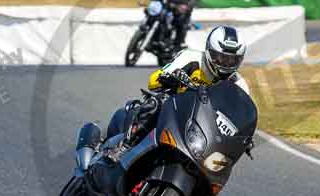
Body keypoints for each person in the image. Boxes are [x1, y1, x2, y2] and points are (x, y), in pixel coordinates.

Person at [106, 26, 249, 157]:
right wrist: (168, 78)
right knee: (157, 102)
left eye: (232, 61)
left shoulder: (239, 84)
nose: (225, 64)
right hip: (174, 111)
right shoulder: (191, 58)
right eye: (222, 58)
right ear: (209, 51)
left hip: (204, 127)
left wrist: (245, 137)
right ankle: (124, 147)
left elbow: (244, 115)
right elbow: (152, 82)